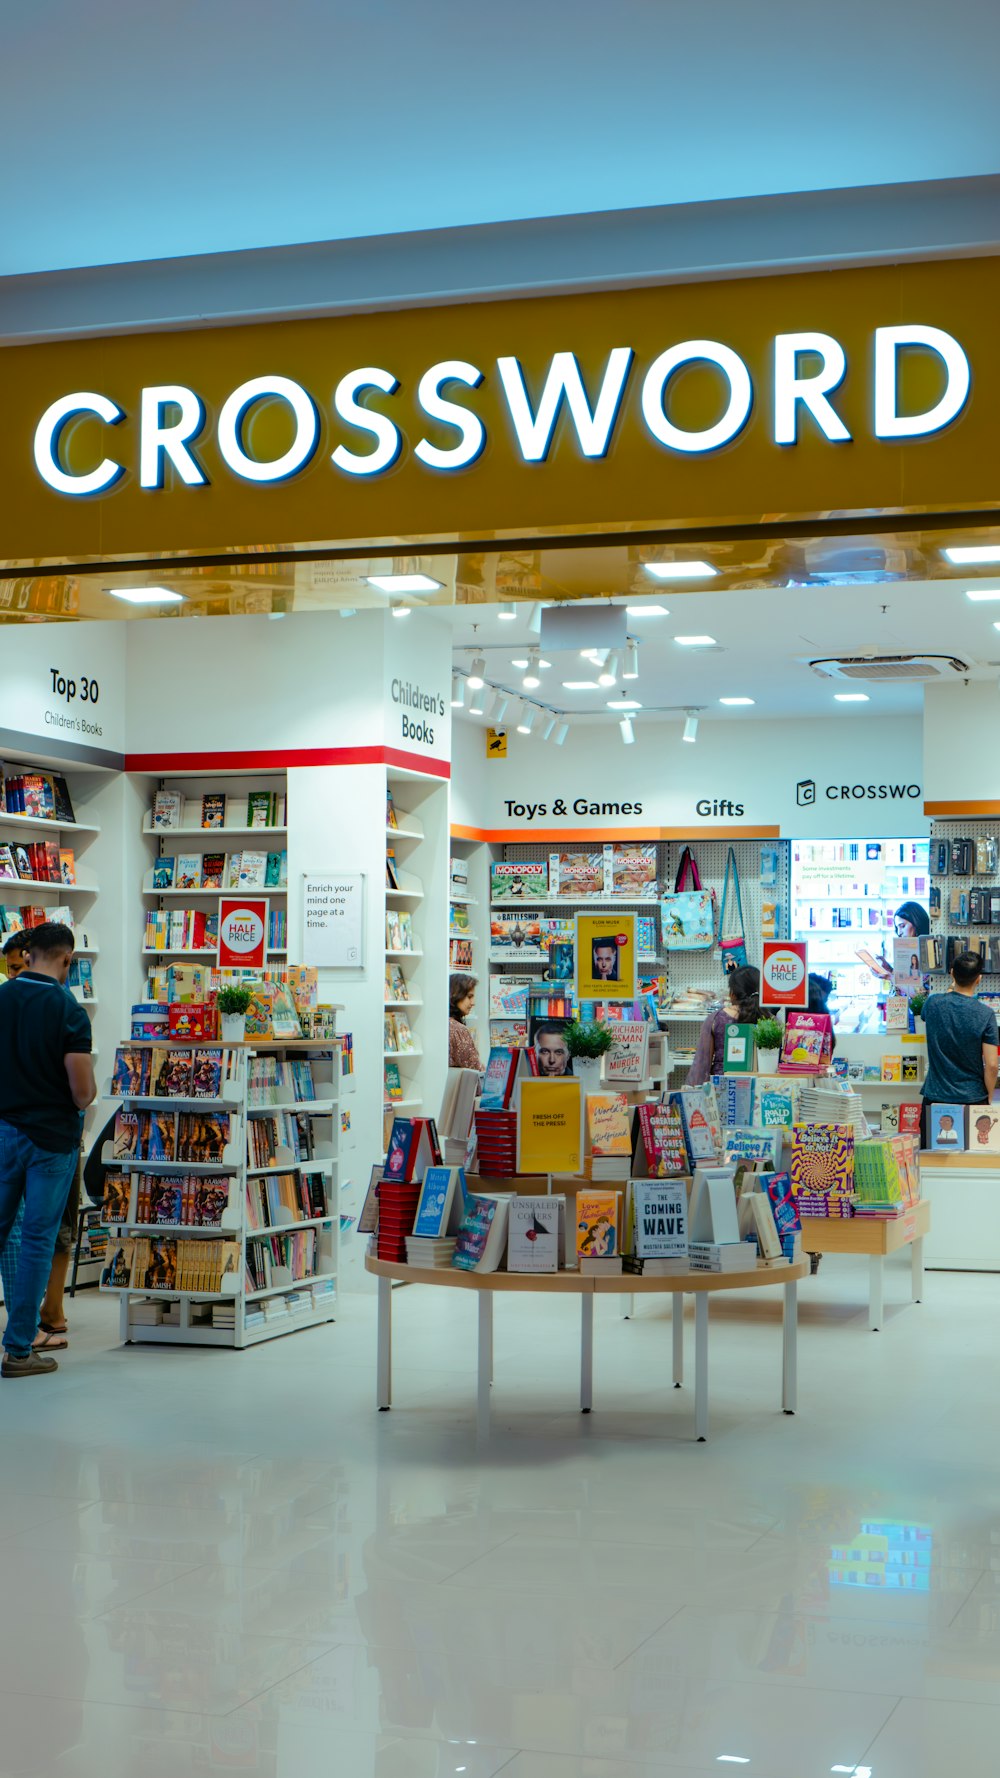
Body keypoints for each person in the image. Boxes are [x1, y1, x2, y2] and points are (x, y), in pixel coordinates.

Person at [0, 922, 96, 1378]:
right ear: (66, 960)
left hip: (3, 1133)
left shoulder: (1, 998)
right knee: (38, 1240)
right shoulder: (68, 1010)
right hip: (51, 1142)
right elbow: (82, 1092)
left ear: (28, 953)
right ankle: (19, 1350)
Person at [921, 949, 999, 1148]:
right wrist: (988, 1097)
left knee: (932, 1166)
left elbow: (940, 1002)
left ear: (952, 973)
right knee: (972, 1168)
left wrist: (952, 984)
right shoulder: (986, 1014)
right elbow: (991, 1065)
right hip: (973, 1100)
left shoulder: (932, 1004)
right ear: (979, 979)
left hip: (936, 1099)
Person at [688, 965, 760, 1085]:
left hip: (722, 1088)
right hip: (759, 1089)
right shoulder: (769, 1019)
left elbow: (702, 1064)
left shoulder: (716, 1019)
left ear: (732, 993)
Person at [448, 972, 482, 1070]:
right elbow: (475, 1069)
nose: (473, 1003)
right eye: (469, 997)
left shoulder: (440, 1024)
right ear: (455, 994)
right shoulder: (458, 1030)